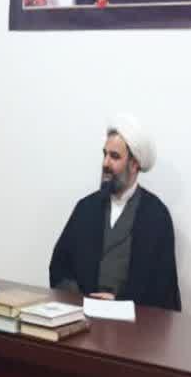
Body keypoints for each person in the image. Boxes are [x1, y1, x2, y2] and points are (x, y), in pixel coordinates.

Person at [49, 114, 181, 310]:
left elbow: (163, 287)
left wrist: (120, 303)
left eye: (115, 156)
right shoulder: (86, 208)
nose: (105, 163)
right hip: (83, 316)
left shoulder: (156, 216)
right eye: (105, 154)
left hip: (135, 323)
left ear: (134, 165)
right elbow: (59, 267)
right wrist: (83, 300)